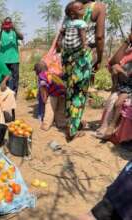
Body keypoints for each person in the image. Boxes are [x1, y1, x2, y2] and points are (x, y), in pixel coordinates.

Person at [59, 0, 106, 141]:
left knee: (70, 90)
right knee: (79, 93)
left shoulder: (72, 6)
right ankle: (72, 130)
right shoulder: (98, 7)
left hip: (67, 56)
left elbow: (63, 31)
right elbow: (99, 36)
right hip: (83, 56)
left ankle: (72, 122)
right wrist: (99, 58)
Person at [34, 61, 66, 131]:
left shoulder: (42, 75)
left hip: (53, 94)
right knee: (60, 109)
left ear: (37, 71)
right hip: (63, 91)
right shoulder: (51, 73)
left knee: (50, 109)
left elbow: (43, 88)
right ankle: (61, 123)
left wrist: (44, 98)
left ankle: (46, 125)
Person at [0, 17, 24, 95]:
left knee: (15, 78)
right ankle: (4, 93)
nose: (7, 25)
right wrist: (1, 30)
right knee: (3, 77)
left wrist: (15, 29)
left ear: (11, 23)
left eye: (9, 23)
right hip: (3, 60)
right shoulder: (2, 33)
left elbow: (22, 37)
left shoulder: (14, 32)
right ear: (4, 24)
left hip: (14, 60)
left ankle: (14, 94)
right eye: (6, 23)